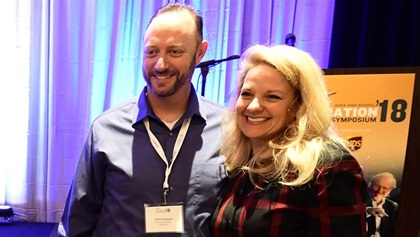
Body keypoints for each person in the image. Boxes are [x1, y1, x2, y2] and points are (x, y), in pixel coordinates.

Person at [59, 3, 228, 237]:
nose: (160, 64)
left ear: (200, 53)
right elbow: (77, 223)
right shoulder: (106, 129)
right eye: (151, 51)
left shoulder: (227, 129)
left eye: (175, 52)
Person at [210, 44, 368, 237]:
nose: (253, 106)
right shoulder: (239, 161)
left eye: (272, 97)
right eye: (247, 94)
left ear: (300, 105)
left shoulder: (328, 168)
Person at [366, 172, 398, 237]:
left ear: (390, 190)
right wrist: (367, 211)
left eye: (385, 188)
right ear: (370, 185)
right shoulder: (360, 201)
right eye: (377, 186)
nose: (379, 191)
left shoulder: (393, 206)